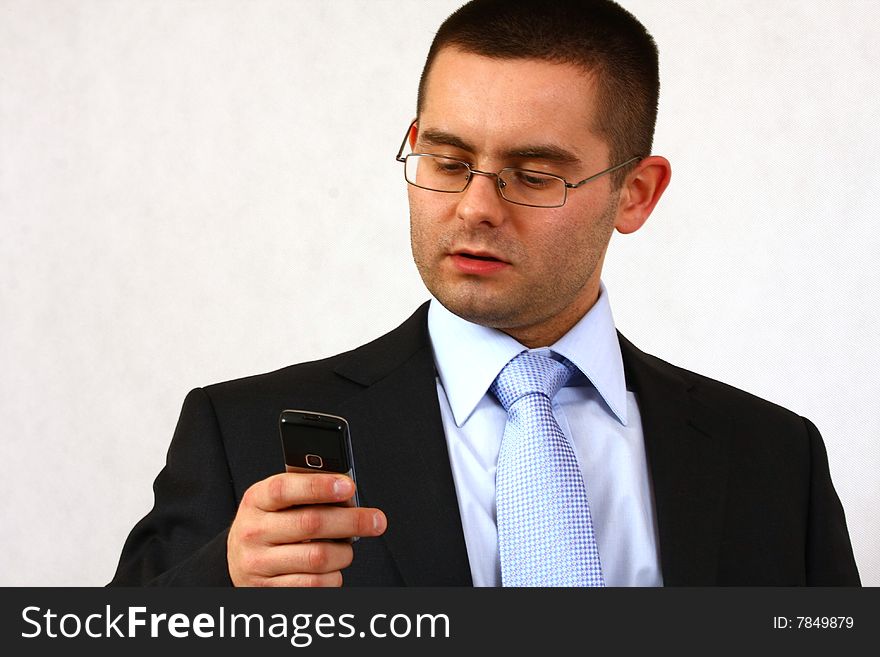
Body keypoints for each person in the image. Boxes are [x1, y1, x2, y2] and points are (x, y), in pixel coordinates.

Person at [110, 0, 860, 587]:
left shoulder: (774, 456)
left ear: (635, 193)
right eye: (446, 159)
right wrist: (221, 586)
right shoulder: (240, 433)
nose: (474, 206)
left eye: (533, 175)